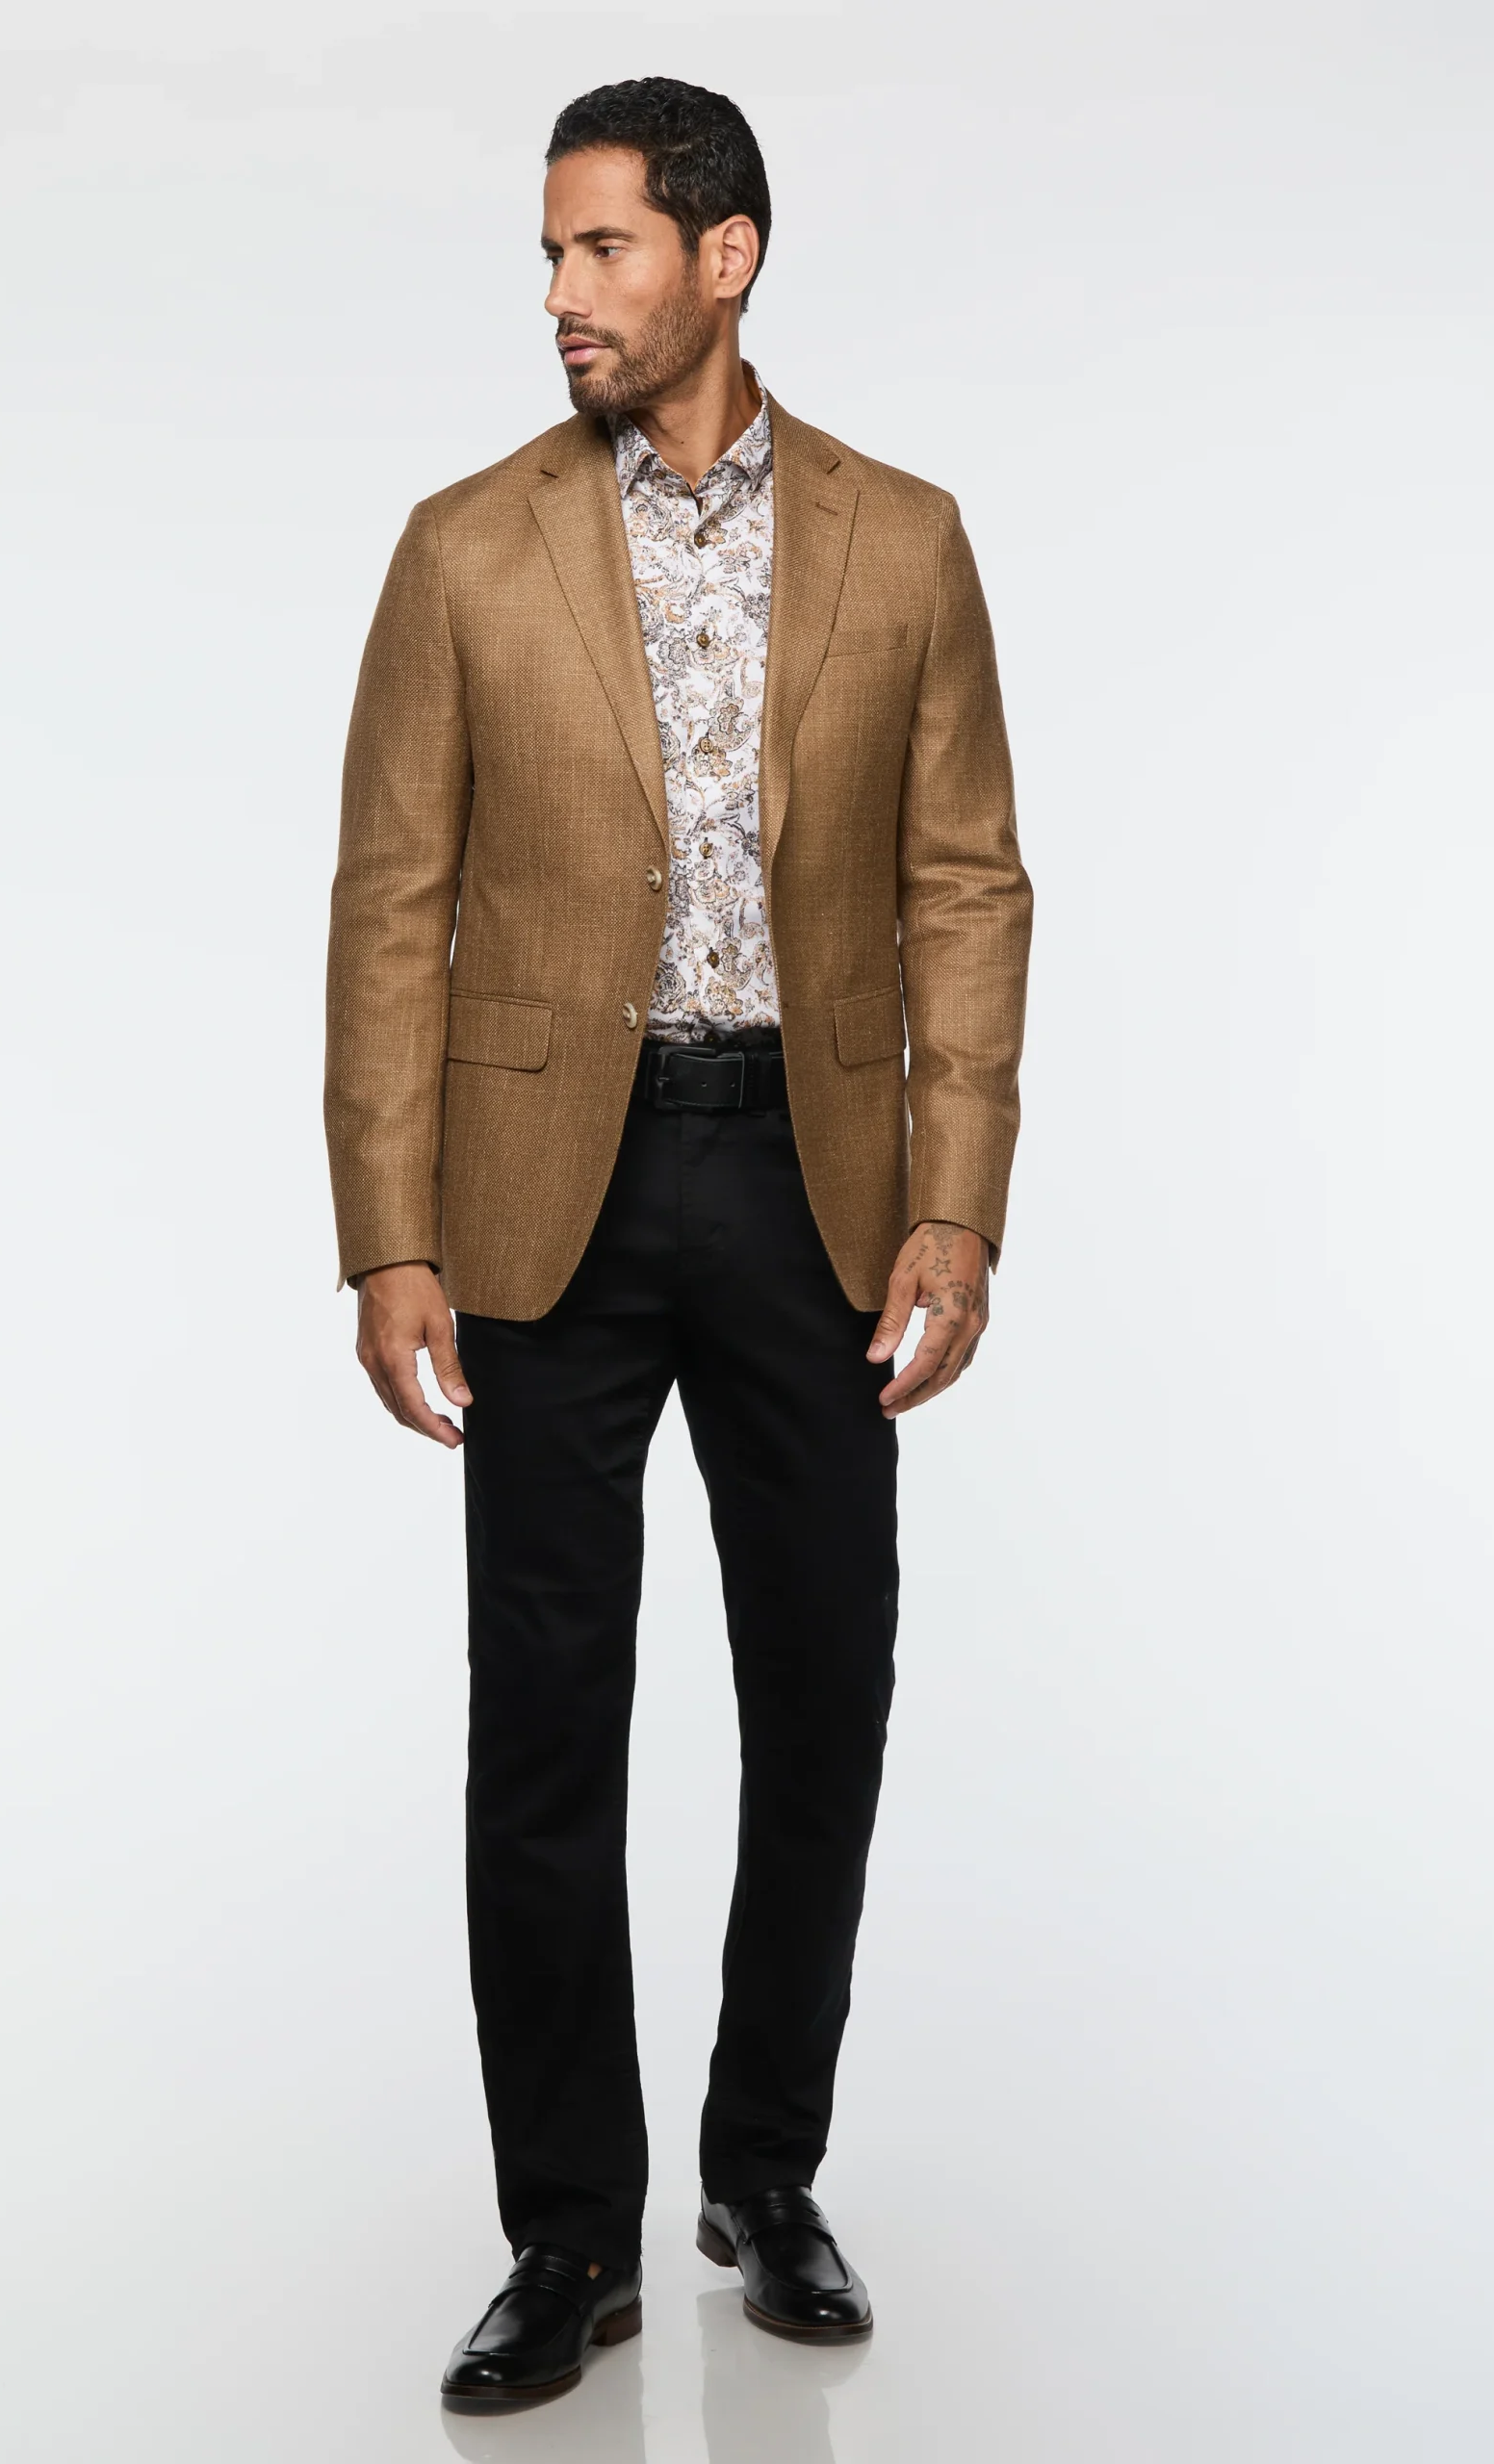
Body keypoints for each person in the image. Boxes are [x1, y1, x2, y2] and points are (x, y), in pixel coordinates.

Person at [323, 75, 1032, 2414]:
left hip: (809, 1181)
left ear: (724, 256)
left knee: (820, 1682)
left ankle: (763, 2168)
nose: (559, 294)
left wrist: (953, 1196)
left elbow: (962, 883)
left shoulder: (903, 540)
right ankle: (564, 2229)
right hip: (545, 1191)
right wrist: (386, 1232)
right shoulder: (462, 547)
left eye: (598, 247)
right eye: (549, 253)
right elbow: (390, 903)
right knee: (544, 1714)